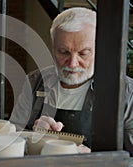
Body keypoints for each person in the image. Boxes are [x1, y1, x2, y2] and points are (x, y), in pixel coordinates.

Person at [9, 7, 133, 155]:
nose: (73, 63)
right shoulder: (35, 82)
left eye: (83, 53)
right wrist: (34, 140)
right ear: (53, 46)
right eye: (64, 52)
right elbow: (11, 139)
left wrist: (95, 159)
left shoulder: (125, 92)